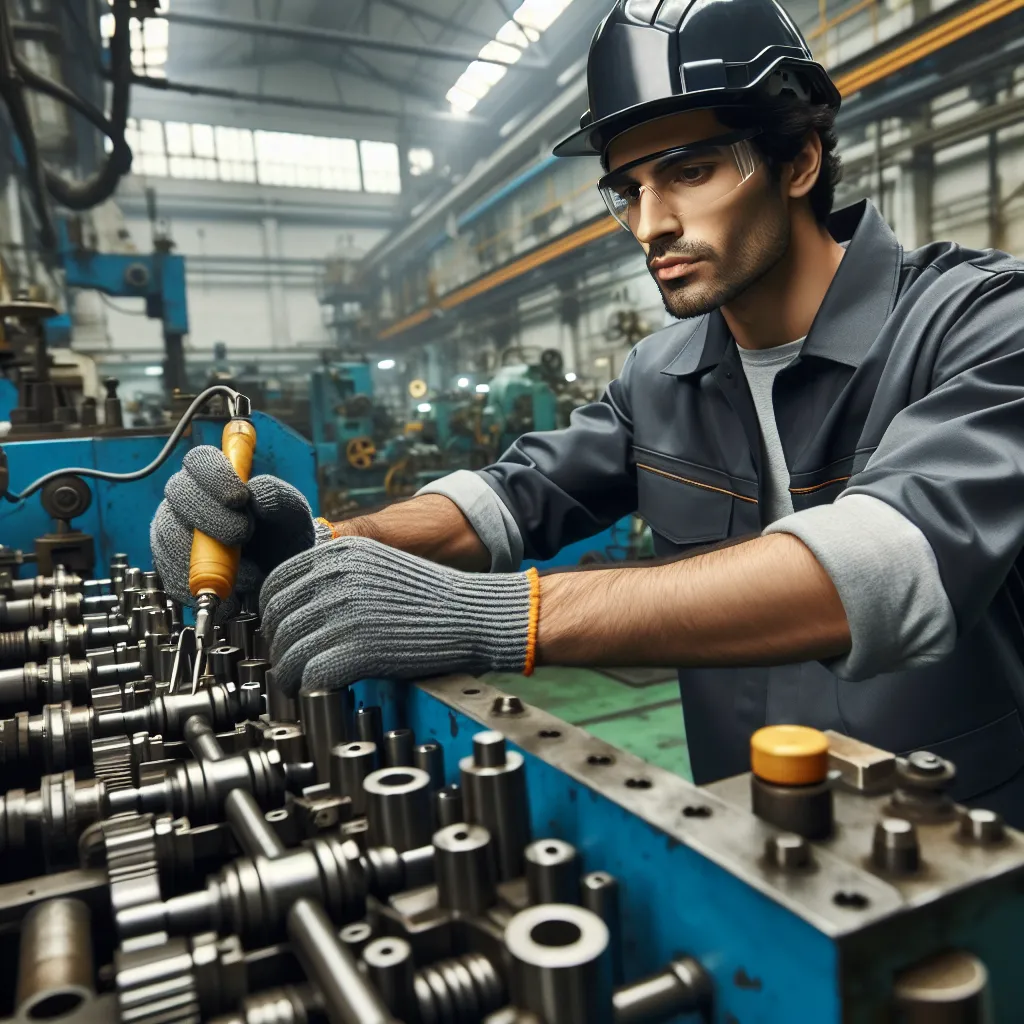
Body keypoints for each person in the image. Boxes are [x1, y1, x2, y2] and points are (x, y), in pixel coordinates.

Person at [152, 0, 1024, 824]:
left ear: (798, 162)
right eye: (628, 189)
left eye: (688, 173)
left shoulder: (979, 326)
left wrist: (503, 617)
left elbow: (883, 568)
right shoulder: (662, 373)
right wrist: (326, 545)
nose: (651, 223)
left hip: (964, 848)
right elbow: (509, 498)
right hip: (748, 843)